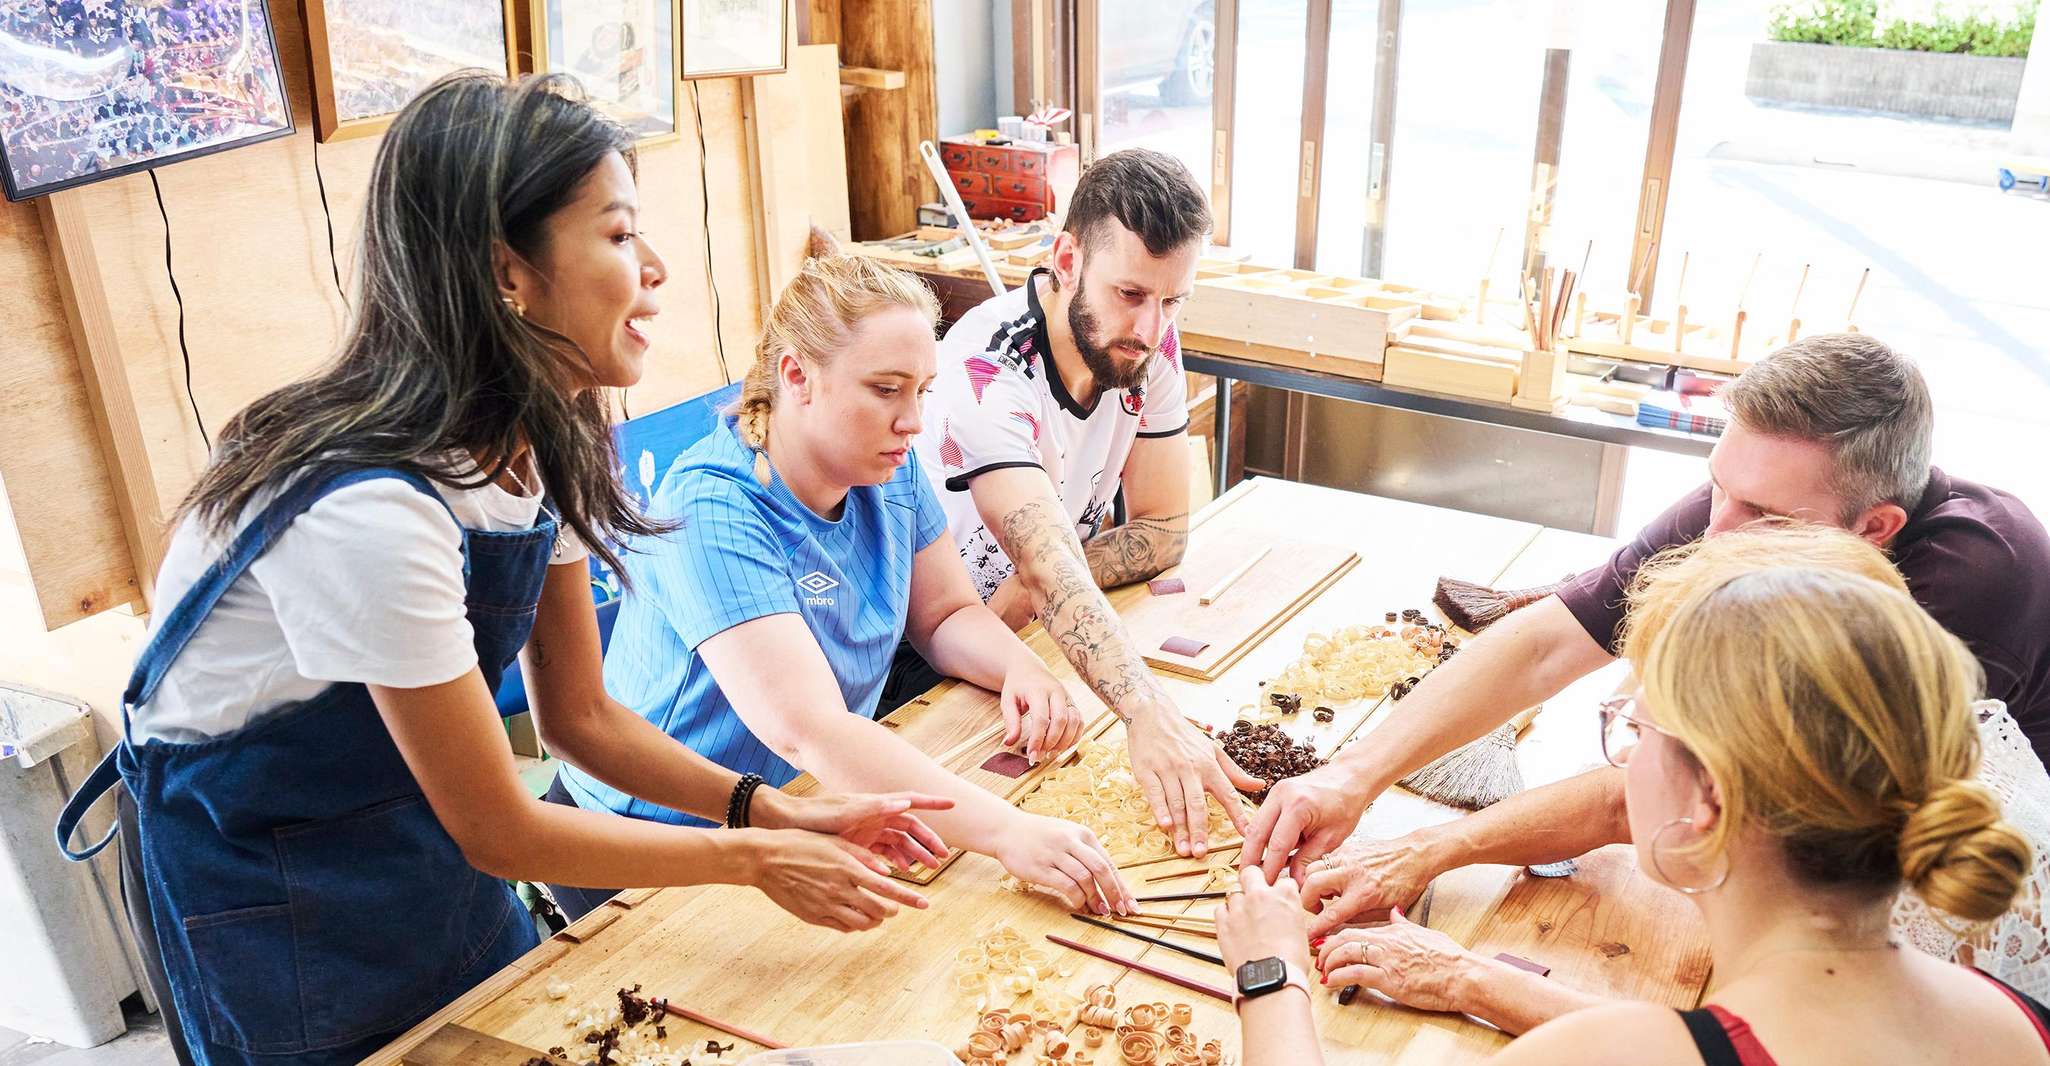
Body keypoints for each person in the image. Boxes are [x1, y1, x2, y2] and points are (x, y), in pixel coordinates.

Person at [53, 75, 945, 1066]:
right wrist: (753, 858)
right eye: (618, 235)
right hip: (274, 890)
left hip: (432, 842)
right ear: (505, 272)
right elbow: (499, 828)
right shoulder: (369, 510)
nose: (654, 269)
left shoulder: (538, 442)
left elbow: (581, 719)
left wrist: (772, 808)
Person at [1244, 333, 2050, 881]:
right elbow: (1547, 642)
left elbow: (1703, 791)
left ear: (1876, 530)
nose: (1717, 530)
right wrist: (1350, 776)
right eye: (1718, 485)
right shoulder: (1744, 505)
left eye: (1763, 514)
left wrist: (1427, 851)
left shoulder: (1975, 580)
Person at [1218, 537, 2049, 1065]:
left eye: (1634, 728)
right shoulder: (2007, 1021)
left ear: (1709, 801)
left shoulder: (1612, 1052)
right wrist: (1464, 955)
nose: (1621, 759)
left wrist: (1272, 972)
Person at [550, 234, 1136, 921]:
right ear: (796, 376)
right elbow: (811, 731)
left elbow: (944, 614)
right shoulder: (711, 507)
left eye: (921, 391)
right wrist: (1007, 832)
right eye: (885, 390)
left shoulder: (887, 465)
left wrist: (1019, 669)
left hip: (798, 803)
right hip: (655, 841)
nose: (912, 421)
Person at [903, 147, 1261, 859]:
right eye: (1130, 294)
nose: (1152, 328)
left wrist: (1047, 587)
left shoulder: (1148, 344)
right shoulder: (985, 369)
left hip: (1031, 639)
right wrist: (1145, 710)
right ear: (1067, 259)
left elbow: (1164, 530)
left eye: (1173, 301)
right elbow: (1045, 566)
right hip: (927, 662)